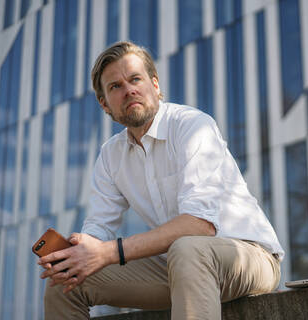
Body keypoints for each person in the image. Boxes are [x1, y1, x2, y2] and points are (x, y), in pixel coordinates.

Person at [40, 41, 284, 320]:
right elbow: (99, 229)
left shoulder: (192, 125)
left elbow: (200, 224)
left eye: (135, 79)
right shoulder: (111, 155)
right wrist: (80, 253)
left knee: (188, 247)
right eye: (115, 86)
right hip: (178, 266)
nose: (129, 89)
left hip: (249, 258)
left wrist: (110, 252)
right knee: (67, 281)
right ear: (104, 103)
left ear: (154, 85)